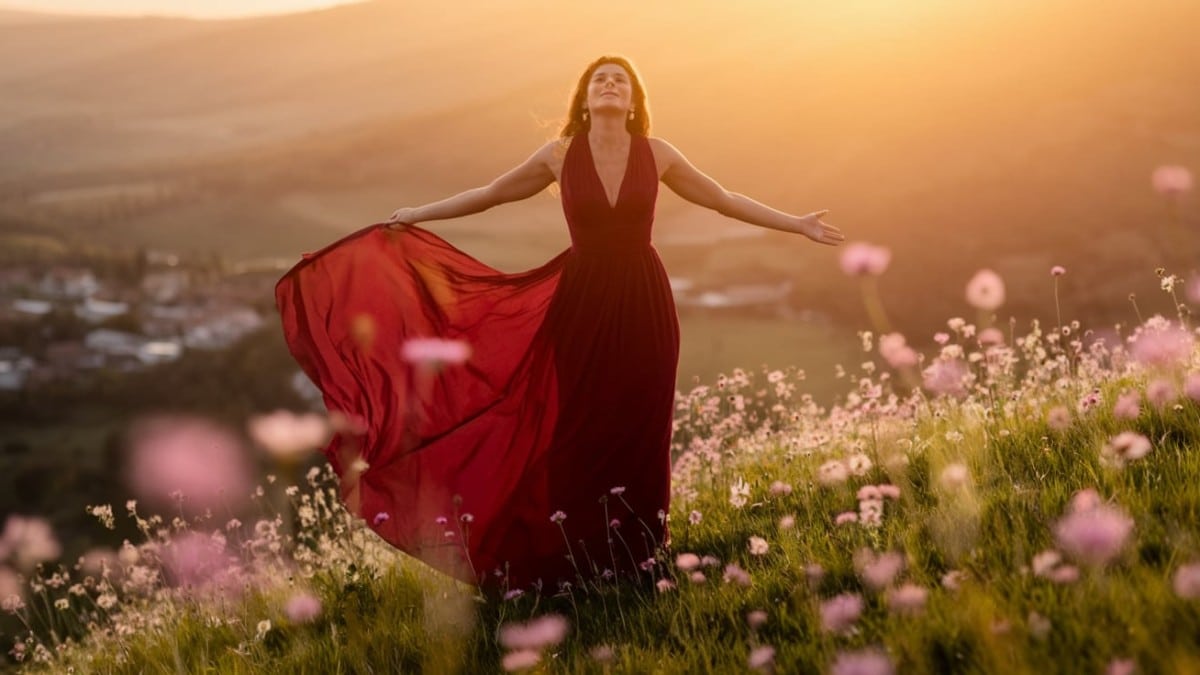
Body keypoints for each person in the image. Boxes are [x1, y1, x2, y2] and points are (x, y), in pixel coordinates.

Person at [275, 55, 844, 595]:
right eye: (600, 79)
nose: (611, 85)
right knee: (579, 426)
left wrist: (795, 224)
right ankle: (577, 554)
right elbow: (493, 194)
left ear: (634, 98)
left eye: (621, 79)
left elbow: (721, 198)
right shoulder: (558, 154)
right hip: (582, 301)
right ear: (585, 97)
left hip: (644, 299)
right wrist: (420, 214)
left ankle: (644, 550)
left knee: (644, 423)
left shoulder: (659, 153)